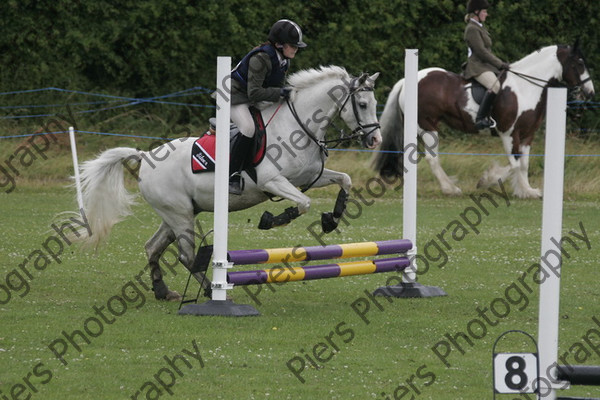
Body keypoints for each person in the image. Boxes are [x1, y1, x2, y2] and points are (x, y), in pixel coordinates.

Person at [227, 19, 307, 194]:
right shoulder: (261, 58)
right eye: (292, 45)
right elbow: (255, 92)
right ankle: (232, 175)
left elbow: (274, 90)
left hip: (251, 98)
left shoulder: (284, 61)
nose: (296, 49)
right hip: (234, 97)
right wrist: (281, 93)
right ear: (279, 44)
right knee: (248, 128)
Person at [463, 0, 510, 130]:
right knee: (494, 86)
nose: (486, 14)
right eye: (484, 11)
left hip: (486, 65)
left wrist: (500, 64)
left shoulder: (479, 26)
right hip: (477, 66)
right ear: (476, 12)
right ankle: (480, 119)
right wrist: (500, 64)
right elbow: (481, 52)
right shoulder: (472, 29)